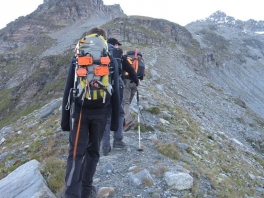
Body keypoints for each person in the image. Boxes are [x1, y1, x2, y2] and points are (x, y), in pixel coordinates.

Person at [61, 27, 120, 198]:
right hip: (101, 113)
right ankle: (86, 191)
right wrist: (115, 123)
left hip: (80, 113)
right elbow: (116, 91)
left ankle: (72, 193)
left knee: (75, 153)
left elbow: (68, 90)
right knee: (93, 152)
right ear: (104, 40)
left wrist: (65, 121)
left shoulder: (78, 58)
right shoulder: (109, 59)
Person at [101, 38, 139, 156]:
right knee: (119, 112)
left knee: (106, 116)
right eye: (117, 45)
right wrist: (136, 81)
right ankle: (118, 139)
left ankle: (105, 146)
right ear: (115, 45)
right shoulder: (119, 55)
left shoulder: (100, 53)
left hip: (102, 87)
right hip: (118, 87)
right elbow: (130, 70)